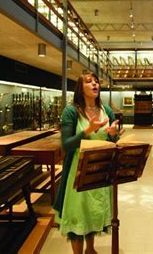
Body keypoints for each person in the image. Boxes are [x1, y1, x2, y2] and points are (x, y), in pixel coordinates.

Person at [53, 72, 120, 254]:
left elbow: (114, 141)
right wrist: (88, 130)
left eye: (96, 81)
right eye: (89, 82)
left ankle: (91, 250)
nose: (94, 84)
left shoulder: (107, 110)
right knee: (79, 212)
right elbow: (66, 144)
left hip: (101, 169)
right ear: (80, 88)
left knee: (92, 211)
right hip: (79, 169)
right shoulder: (71, 111)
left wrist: (114, 134)